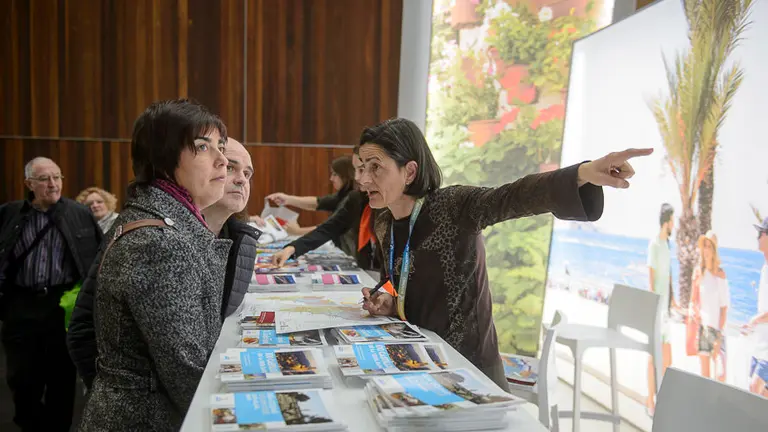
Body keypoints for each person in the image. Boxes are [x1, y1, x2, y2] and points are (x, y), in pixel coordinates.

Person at [357, 118, 651, 389]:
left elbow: (512, 197)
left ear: (409, 171)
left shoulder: (454, 207)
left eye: (375, 167)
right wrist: (388, 301)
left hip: (470, 369)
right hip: (416, 362)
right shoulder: (384, 222)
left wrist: (582, 174)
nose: (364, 180)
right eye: (362, 167)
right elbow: (403, 283)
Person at [79, 99, 231, 431]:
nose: (223, 159)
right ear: (163, 157)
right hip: (145, 420)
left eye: (221, 146)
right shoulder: (160, 241)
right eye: (203, 147)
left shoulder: (159, 219)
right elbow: (186, 370)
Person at [67, 137, 261, 391]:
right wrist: (118, 396)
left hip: (202, 390)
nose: (241, 179)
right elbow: (83, 328)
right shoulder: (150, 235)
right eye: (230, 168)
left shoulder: (240, 242)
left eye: (247, 173)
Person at [0, 157, 103, 431]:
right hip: (20, 306)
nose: (53, 184)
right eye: (45, 179)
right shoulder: (10, 214)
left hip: (62, 306)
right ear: (29, 184)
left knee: (62, 379)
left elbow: (97, 261)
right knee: (22, 379)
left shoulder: (78, 213)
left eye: (57, 177)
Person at [271, 154, 382, 271]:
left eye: (362, 170)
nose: (358, 177)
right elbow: (329, 226)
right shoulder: (356, 197)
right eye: (357, 170)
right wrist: (291, 248)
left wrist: (298, 231)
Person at [265, 155, 357, 254]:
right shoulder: (343, 195)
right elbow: (318, 203)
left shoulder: (352, 199)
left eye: (335, 174)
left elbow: (330, 227)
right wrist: (287, 199)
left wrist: (298, 231)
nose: (331, 178)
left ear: (346, 176)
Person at [645, 202, 680, 415]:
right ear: (667, 221)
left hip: (666, 312)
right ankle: (650, 400)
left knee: (668, 359)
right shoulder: (655, 245)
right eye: (673, 220)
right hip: (657, 311)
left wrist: (674, 300)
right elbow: (651, 277)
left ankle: (661, 400)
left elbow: (667, 277)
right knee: (653, 357)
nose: (674, 224)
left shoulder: (668, 246)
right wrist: (653, 305)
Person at [690, 230, 729, 381]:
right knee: (704, 380)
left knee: (720, 378)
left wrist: (719, 336)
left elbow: (724, 307)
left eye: (709, 246)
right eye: (704, 246)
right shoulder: (699, 272)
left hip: (717, 331)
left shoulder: (720, 274)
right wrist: (694, 311)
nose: (706, 250)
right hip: (703, 330)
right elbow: (693, 300)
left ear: (714, 250)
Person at [743, 218, 768, 397]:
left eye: (761, 233)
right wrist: (753, 325)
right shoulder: (765, 268)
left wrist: (754, 320)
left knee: (754, 388)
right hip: (759, 346)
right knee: (760, 395)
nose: (757, 237)